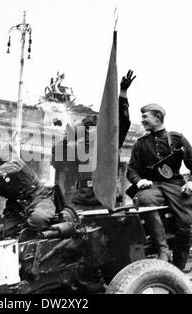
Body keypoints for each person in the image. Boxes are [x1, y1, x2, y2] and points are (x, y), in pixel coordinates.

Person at [126, 103, 192, 270]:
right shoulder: (140, 144)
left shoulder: (177, 139)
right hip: (151, 186)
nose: (142, 121)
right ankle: (163, 250)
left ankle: (179, 268)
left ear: (158, 117)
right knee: (145, 200)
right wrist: (139, 181)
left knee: (185, 222)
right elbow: (131, 170)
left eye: (145, 117)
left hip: (175, 185)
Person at [51, 69, 135, 210]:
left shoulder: (110, 143)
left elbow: (122, 121)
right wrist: (70, 134)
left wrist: (123, 93)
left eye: (95, 129)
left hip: (107, 200)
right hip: (83, 201)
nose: (91, 134)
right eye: (87, 130)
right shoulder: (76, 147)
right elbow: (57, 154)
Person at [0, 133, 56, 240]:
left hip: (38, 199)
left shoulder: (9, 157)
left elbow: (13, 166)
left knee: (37, 220)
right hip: (16, 208)